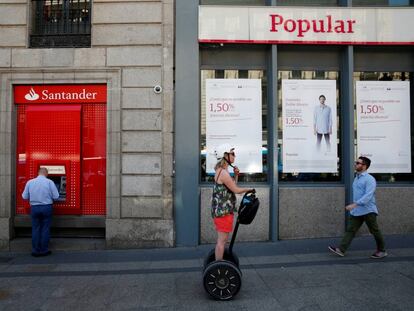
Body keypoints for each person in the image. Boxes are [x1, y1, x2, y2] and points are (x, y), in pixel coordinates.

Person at [329, 156, 387, 259]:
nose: (355, 164)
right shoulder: (356, 178)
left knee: (374, 230)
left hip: (368, 210)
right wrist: (355, 206)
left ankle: (382, 251)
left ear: (364, 166)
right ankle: (341, 250)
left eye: (358, 163)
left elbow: (368, 195)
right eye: (356, 162)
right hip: (357, 211)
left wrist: (354, 204)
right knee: (350, 230)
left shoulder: (370, 179)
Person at [211, 145, 252, 261]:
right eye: (232, 154)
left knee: (222, 240)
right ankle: (219, 265)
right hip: (223, 212)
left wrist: (236, 175)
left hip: (222, 211)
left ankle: (219, 263)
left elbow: (231, 186)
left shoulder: (221, 171)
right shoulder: (223, 173)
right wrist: (248, 189)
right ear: (225, 156)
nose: (234, 156)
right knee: (221, 241)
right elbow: (236, 190)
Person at [22, 167, 59, 257]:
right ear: (46, 173)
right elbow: (56, 196)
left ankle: (35, 250)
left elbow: (24, 197)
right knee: (45, 228)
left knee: (35, 229)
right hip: (46, 207)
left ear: (38, 173)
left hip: (34, 208)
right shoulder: (50, 182)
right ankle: (44, 250)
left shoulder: (30, 182)